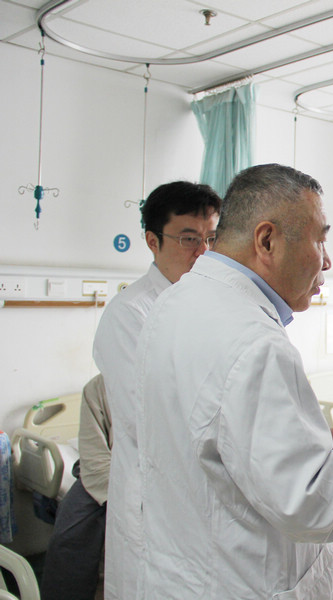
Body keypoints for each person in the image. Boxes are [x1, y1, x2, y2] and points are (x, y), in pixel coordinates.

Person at [132, 164, 333, 599]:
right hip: (241, 583)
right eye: (320, 239)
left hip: (180, 574)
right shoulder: (255, 342)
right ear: (267, 241)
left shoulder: (172, 305)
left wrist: (309, 442)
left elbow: (209, 439)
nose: (327, 260)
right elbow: (311, 502)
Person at [92, 181, 221, 600]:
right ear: (152, 241)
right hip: (157, 499)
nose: (202, 252)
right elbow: (152, 419)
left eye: (211, 238)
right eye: (188, 239)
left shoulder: (212, 307)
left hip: (205, 496)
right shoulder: (130, 315)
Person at [41, 374, 110, 600]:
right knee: (70, 535)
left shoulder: (172, 383)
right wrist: (122, 499)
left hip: (160, 477)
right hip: (103, 475)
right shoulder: (98, 389)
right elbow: (96, 457)